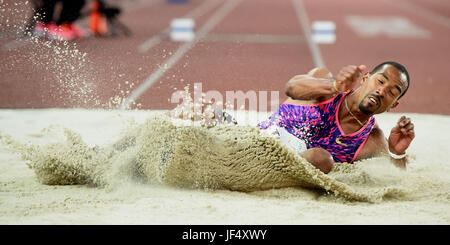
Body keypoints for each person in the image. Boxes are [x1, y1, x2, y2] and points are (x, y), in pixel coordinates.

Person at [200, 61, 414, 174]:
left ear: (393, 104)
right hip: (254, 141)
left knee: (321, 159)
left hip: (284, 168)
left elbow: (393, 177)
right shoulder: (326, 87)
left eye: (393, 91)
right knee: (203, 111)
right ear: (366, 78)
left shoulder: (372, 139)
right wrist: (333, 86)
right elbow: (292, 87)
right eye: (380, 81)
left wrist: (397, 152)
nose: (382, 91)